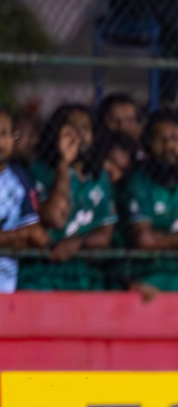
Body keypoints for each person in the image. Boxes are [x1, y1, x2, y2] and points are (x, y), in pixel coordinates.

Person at [21, 105, 117, 292]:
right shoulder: (38, 171)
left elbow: (105, 234)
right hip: (41, 270)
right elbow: (55, 219)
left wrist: (78, 244)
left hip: (82, 271)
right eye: (71, 128)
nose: (79, 134)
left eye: (85, 128)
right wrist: (64, 165)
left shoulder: (100, 177)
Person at [122, 110, 178, 294]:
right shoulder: (137, 182)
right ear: (148, 145)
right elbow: (144, 240)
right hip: (149, 275)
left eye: (176, 138)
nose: (170, 146)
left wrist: (163, 239)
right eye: (161, 139)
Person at [0, 109, 46, 293]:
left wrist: (5, 238)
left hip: (8, 281)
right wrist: (15, 237)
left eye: (4, 133)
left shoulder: (20, 177)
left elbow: (36, 235)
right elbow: (25, 235)